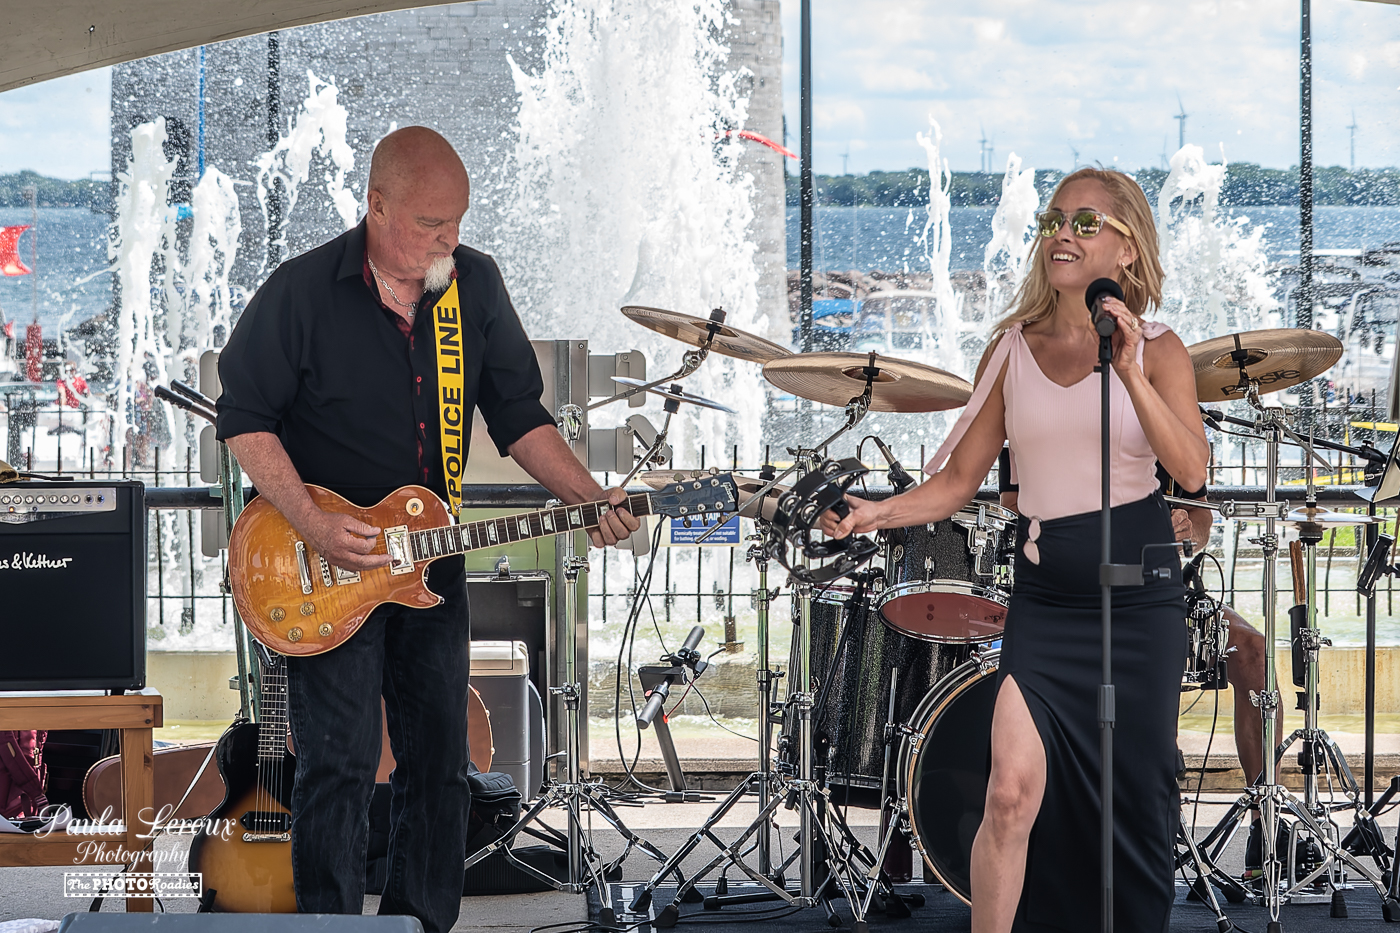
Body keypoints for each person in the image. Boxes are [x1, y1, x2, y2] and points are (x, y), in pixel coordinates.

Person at [215, 126, 638, 933]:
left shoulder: (472, 286)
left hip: (430, 563)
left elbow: (519, 415)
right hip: (323, 563)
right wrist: (313, 521)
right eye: (431, 223)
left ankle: (417, 923)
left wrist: (590, 497)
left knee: (441, 764)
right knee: (337, 766)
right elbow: (244, 420)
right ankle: (331, 929)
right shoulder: (302, 291)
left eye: (458, 222)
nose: (450, 239)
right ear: (377, 207)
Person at [821, 167, 1209, 932]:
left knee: (1136, 803)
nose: (1062, 233)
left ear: (1127, 249)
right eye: (1053, 220)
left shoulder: (1161, 350)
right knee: (1008, 793)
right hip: (1048, 606)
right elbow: (956, 480)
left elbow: (1192, 470)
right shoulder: (1009, 350)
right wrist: (874, 513)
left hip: (1138, 608)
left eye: (1086, 223)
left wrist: (1129, 372)